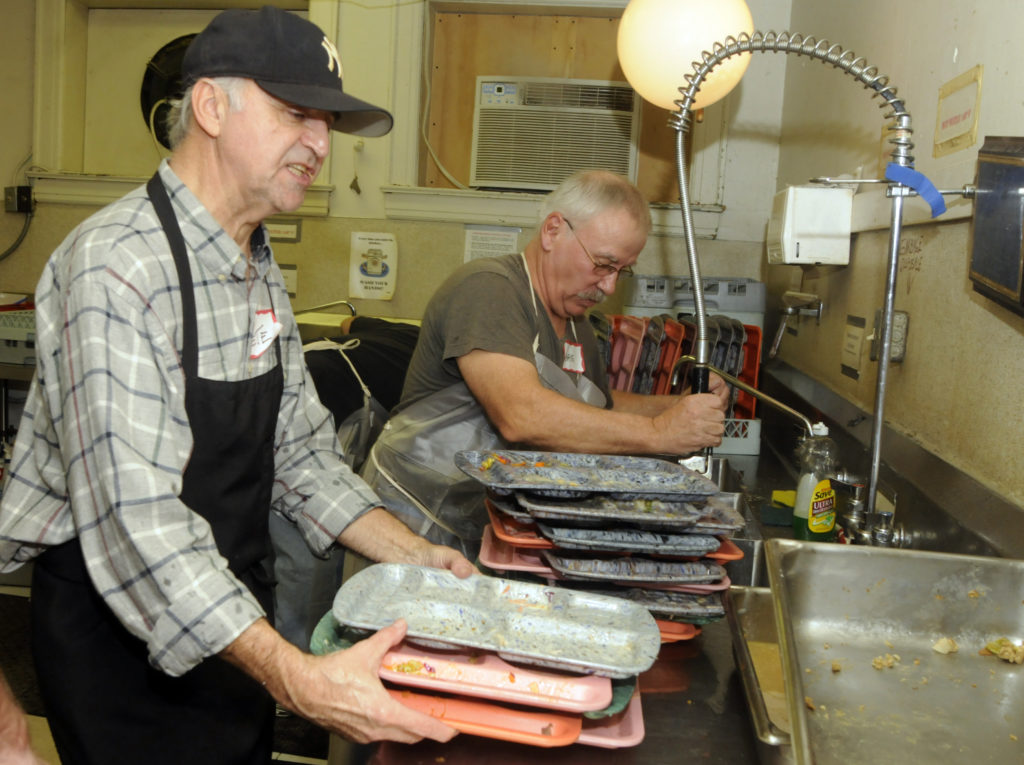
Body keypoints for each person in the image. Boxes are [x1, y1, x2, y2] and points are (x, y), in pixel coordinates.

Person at [0, 7, 474, 764]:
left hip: (232, 619)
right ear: (212, 107)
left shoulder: (251, 258)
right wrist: (300, 679)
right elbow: (140, 527)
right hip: (123, 641)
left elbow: (301, 456)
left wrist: (418, 555)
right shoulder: (118, 266)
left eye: (329, 123)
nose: (321, 144)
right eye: (297, 114)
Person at [361, 170, 730, 559]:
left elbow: (595, 410)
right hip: (413, 524)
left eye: (622, 271)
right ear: (553, 231)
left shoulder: (576, 323)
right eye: (603, 264)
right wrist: (659, 432)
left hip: (485, 523)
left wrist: (677, 407)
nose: (609, 287)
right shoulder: (489, 288)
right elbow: (521, 414)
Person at [269, 316, 420, 652]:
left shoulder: (403, 331)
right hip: (322, 403)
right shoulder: (442, 374)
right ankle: (302, 652)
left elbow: (348, 321)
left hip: (299, 373)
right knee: (308, 544)